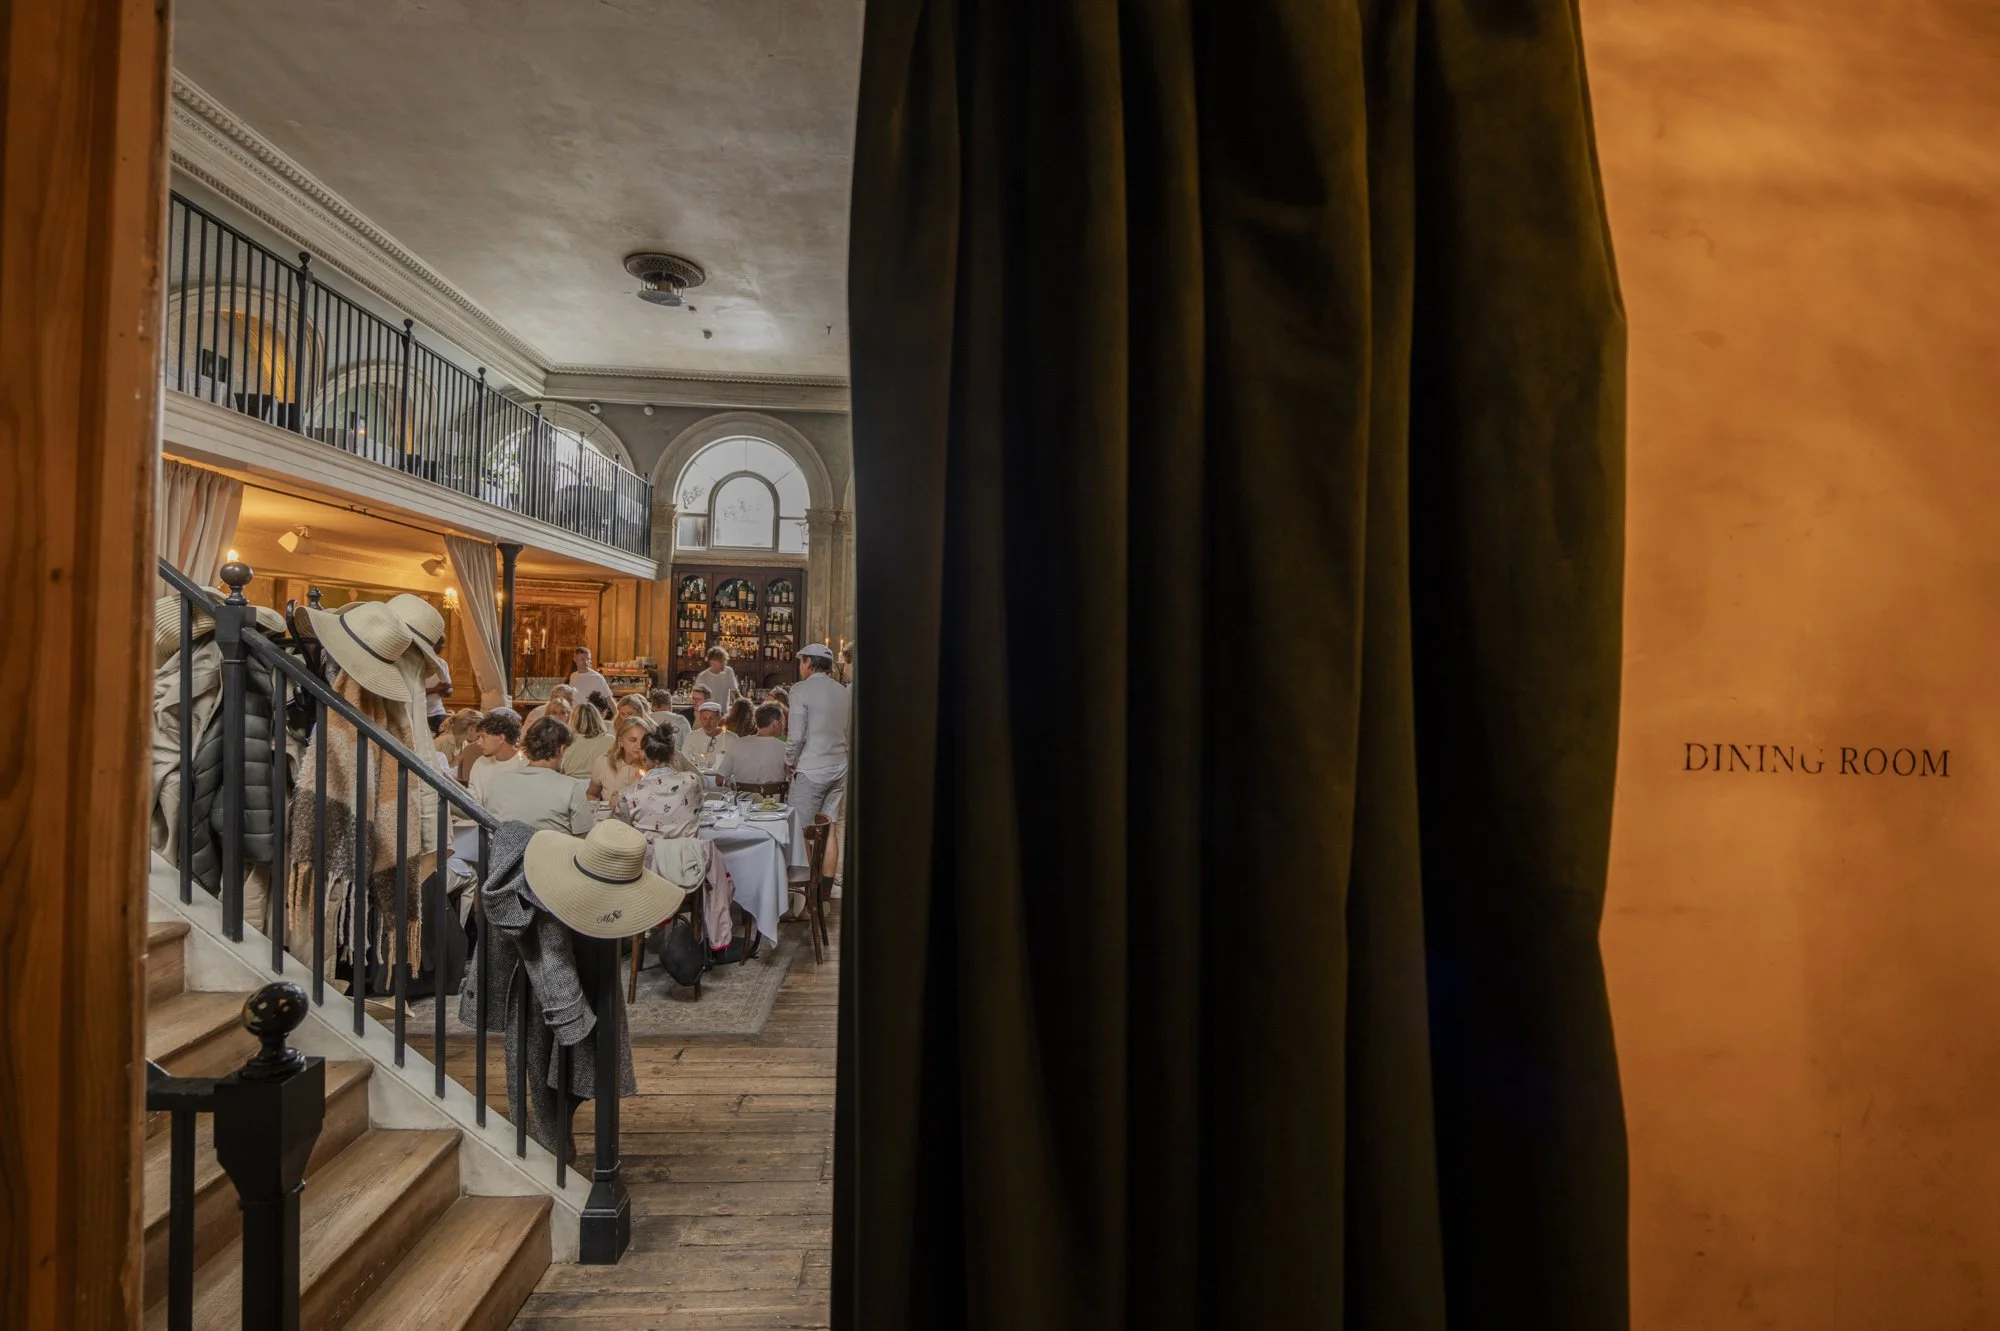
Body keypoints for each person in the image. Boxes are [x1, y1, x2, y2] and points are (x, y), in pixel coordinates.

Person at [615, 728, 735, 950]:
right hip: (691, 867)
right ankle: (713, 937)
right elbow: (699, 806)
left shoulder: (630, 794)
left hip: (651, 877)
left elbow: (622, 830)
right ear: (673, 754)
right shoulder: (691, 781)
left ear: (644, 757)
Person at [481, 718, 593, 834]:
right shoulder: (571, 786)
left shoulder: (496, 783)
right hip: (553, 851)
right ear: (561, 750)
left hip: (505, 850)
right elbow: (584, 836)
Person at [785, 644, 850, 829]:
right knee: (828, 829)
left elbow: (796, 736)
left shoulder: (800, 689)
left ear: (809, 662)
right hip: (839, 767)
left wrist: (789, 761)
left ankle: (804, 860)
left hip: (813, 769)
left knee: (800, 830)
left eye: (801, 662)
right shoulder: (842, 691)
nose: (800, 667)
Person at [717, 703, 790, 789]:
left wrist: (734, 785)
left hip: (742, 800)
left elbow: (719, 780)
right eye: (782, 722)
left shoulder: (737, 744)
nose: (783, 726)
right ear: (775, 723)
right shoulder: (786, 748)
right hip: (773, 801)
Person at [466, 709, 527, 804]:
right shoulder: (480, 762)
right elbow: (473, 800)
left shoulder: (526, 763)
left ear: (501, 738)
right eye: (478, 737)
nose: (478, 743)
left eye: (483, 737)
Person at [588, 715, 653, 804]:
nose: (639, 746)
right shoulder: (603, 762)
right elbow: (592, 794)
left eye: (643, 741)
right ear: (621, 741)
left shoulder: (654, 765)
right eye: (633, 740)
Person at [560, 697, 615, 779]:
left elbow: (561, 769)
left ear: (573, 720)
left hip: (571, 785)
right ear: (597, 718)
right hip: (601, 786)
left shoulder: (566, 741)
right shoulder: (610, 740)